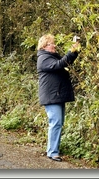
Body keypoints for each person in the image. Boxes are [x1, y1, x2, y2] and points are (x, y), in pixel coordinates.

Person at [36, 33, 80, 162]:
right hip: (51, 96)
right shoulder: (44, 58)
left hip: (57, 95)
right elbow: (60, 64)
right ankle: (53, 152)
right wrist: (71, 50)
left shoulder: (50, 56)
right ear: (44, 46)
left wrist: (75, 50)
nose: (54, 45)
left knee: (58, 123)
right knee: (55, 123)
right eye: (51, 44)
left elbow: (66, 61)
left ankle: (53, 150)